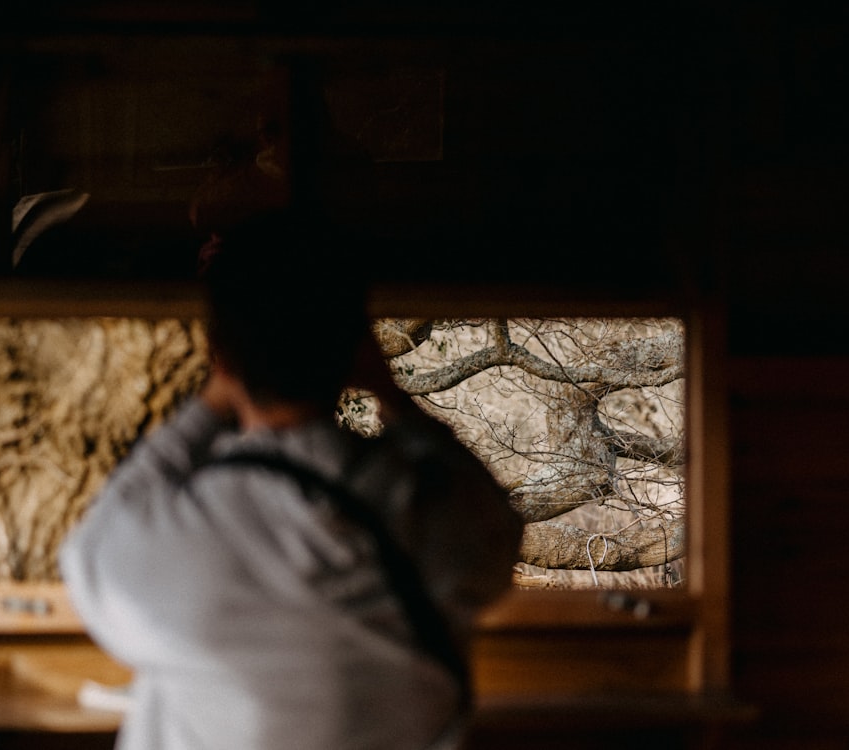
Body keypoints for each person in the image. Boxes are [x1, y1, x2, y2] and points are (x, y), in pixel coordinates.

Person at [58, 209, 524, 750]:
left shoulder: (165, 537)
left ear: (223, 356)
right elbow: (494, 524)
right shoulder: (430, 514)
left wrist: (211, 399)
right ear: (356, 348)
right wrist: (393, 398)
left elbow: (98, 539)